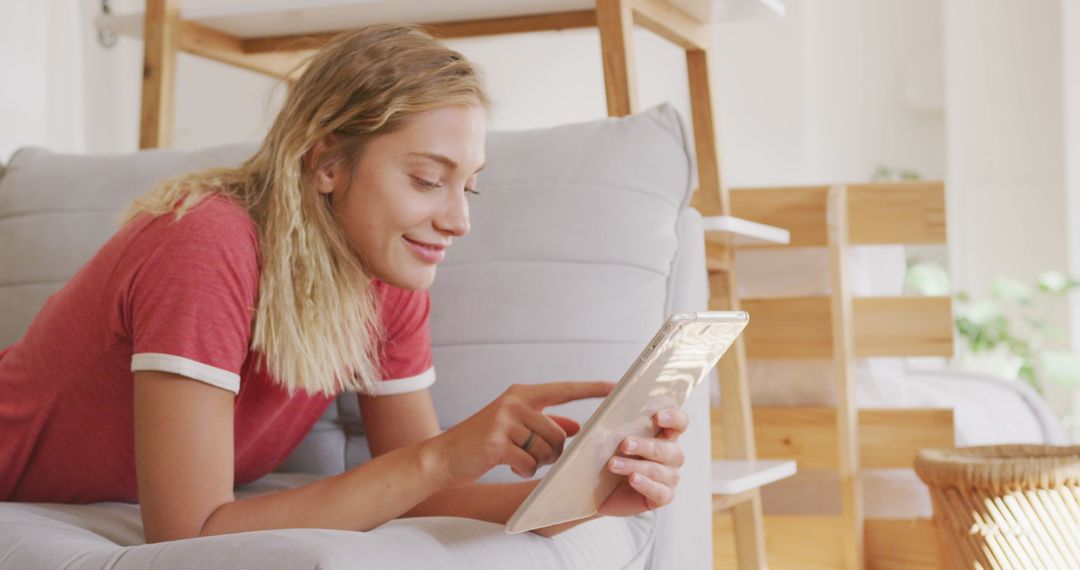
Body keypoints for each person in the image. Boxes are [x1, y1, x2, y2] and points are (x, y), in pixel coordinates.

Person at [0, 24, 688, 543]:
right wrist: (444, 455)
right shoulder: (205, 245)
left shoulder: (387, 275)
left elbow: (417, 494)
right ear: (326, 160)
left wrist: (581, 498)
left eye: (469, 185)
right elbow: (188, 538)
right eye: (427, 179)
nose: (459, 220)